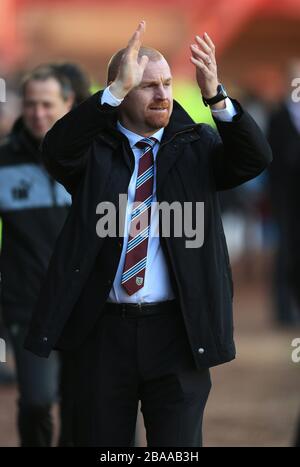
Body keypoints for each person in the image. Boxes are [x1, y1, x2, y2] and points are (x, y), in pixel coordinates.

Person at [25, 21, 272, 447]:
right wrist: (110, 96)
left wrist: (216, 96)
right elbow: (56, 150)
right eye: (146, 86)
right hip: (102, 334)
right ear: (120, 92)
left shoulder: (199, 145)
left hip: (178, 332)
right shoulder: (92, 152)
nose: (162, 94)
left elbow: (254, 158)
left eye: (166, 84)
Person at [0, 65, 74, 446]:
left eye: (47, 104)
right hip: (26, 306)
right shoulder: (3, 161)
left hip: (85, 305)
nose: (38, 113)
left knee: (86, 403)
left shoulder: (88, 157)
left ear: (68, 104)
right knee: (37, 401)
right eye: (30, 104)